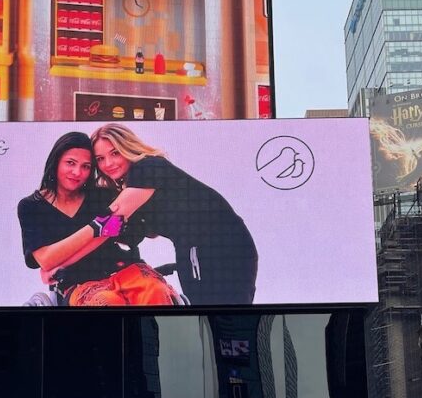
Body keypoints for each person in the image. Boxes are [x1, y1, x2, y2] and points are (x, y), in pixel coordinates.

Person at [91, 123, 259, 305]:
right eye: (100, 158)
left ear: (128, 147)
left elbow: (105, 225)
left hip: (215, 246)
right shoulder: (135, 183)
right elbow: (141, 233)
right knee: (219, 315)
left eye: (115, 153)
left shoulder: (146, 167)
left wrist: (68, 250)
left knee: (217, 314)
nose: (108, 163)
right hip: (208, 246)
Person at [17, 131, 178, 306]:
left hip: (125, 271)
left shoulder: (103, 196)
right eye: (70, 163)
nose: (77, 172)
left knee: (156, 291)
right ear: (55, 162)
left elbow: (136, 234)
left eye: (86, 166)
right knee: (106, 302)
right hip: (80, 283)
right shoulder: (32, 206)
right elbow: (46, 259)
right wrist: (96, 228)